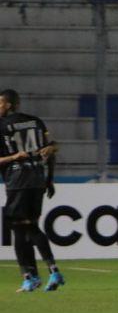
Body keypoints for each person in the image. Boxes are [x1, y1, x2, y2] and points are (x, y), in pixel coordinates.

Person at [0, 89, 64, 293]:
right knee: (26, 227)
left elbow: (5, 159)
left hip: (17, 181)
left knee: (23, 227)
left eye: (0, 103)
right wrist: (50, 180)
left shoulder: (2, 126)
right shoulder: (36, 122)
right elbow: (52, 148)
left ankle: (44, 273)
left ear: (10, 104)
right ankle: (34, 277)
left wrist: (12, 158)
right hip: (38, 179)